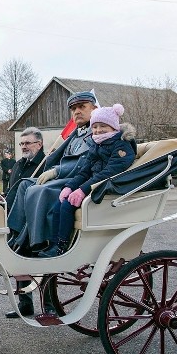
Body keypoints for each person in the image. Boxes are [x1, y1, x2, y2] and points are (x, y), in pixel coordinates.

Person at [40, 105, 136, 259]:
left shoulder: (122, 145)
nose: (98, 130)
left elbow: (110, 172)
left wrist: (83, 189)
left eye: (103, 126)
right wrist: (69, 187)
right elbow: (84, 171)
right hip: (94, 185)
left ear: (113, 127)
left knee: (66, 206)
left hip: (108, 187)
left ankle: (62, 246)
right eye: (95, 127)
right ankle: (54, 244)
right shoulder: (96, 144)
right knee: (58, 205)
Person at [7, 91, 98, 252]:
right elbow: (59, 156)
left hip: (77, 179)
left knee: (38, 190)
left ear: (95, 108)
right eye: (73, 108)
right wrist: (51, 168)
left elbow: (86, 162)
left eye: (82, 107)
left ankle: (36, 242)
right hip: (64, 176)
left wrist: (56, 171)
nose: (77, 111)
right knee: (24, 184)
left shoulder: (98, 132)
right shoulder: (76, 134)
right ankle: (15, 233)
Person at [2, 128, 46, 319]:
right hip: (16, 223)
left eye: (27, 143)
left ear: (39, 144)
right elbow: (12, 192)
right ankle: (25, 304)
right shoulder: (19, 165)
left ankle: (50, 306)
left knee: (44, 266)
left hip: (37, 222)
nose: (23, 147)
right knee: (19, 264)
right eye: (21, 144)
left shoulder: (47, 163)